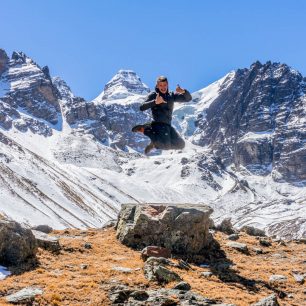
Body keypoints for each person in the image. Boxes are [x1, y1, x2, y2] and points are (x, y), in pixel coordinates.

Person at [132, 76, 192, 154]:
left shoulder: (171, 95)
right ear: (157, 85)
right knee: (165, 146)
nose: (163, 87)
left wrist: (183, 91)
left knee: (181, 145)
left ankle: (154, 143)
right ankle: (145, 129)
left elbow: (188, 99)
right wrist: (155, 102)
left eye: (164, 85)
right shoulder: (154, 95)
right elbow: (142, 107)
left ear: (167, 85)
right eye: (160, 85)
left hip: (168, 125)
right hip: (158, 124)